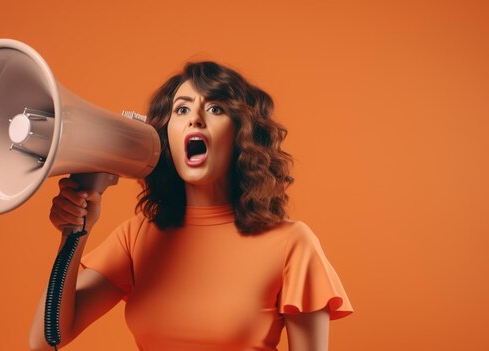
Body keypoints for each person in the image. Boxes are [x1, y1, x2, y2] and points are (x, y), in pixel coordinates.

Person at [29, 61, 353, 351]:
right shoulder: (137, 237)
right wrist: (76, 232)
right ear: (166, 134)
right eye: (181, 110)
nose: (195, 119)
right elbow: (47, 338)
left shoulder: (293, 244)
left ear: (242, 133)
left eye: (215, 109)